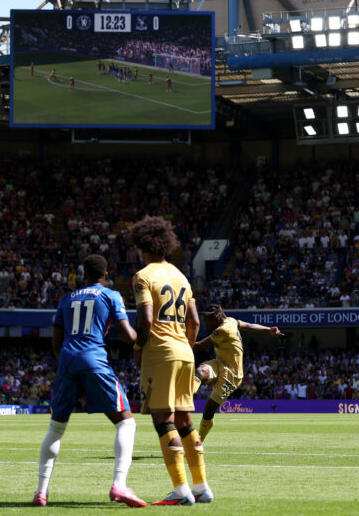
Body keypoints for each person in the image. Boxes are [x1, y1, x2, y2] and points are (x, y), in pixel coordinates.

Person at [32, 255, 145, 508]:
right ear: (106, 275)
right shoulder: (111, 295)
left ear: (83, 275)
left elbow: (56, 342)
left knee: (56, 428)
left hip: (67, 361)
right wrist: (141, 333)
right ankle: (119, 485)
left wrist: (68, 369)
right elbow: (128, 336)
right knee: (126, 423)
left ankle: (41, 492)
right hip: (94, 360)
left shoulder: (66, 299)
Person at [129, 216, 211, 506]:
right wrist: (185, 347)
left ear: (142, 244)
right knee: (186, 420)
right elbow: (196, 321)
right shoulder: (181, 276)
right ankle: (201, 486)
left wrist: (139, 347)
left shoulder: (143, 276)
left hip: (160, 353)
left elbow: (147, 320)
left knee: (163, 419)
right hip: (185, 353)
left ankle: (181, 490)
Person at [193, 304, 283, 441]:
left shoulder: (222, 330)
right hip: (219, 363)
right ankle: (185, 399)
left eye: (207, 321)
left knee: (209, 408)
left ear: (216, 318)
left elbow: (199, 346)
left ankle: (198, 440)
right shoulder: (231, 320)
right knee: (201, 371)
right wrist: (268, 329)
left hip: (232, 375)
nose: (206, 324)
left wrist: (175, 341)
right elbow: (249, 326)